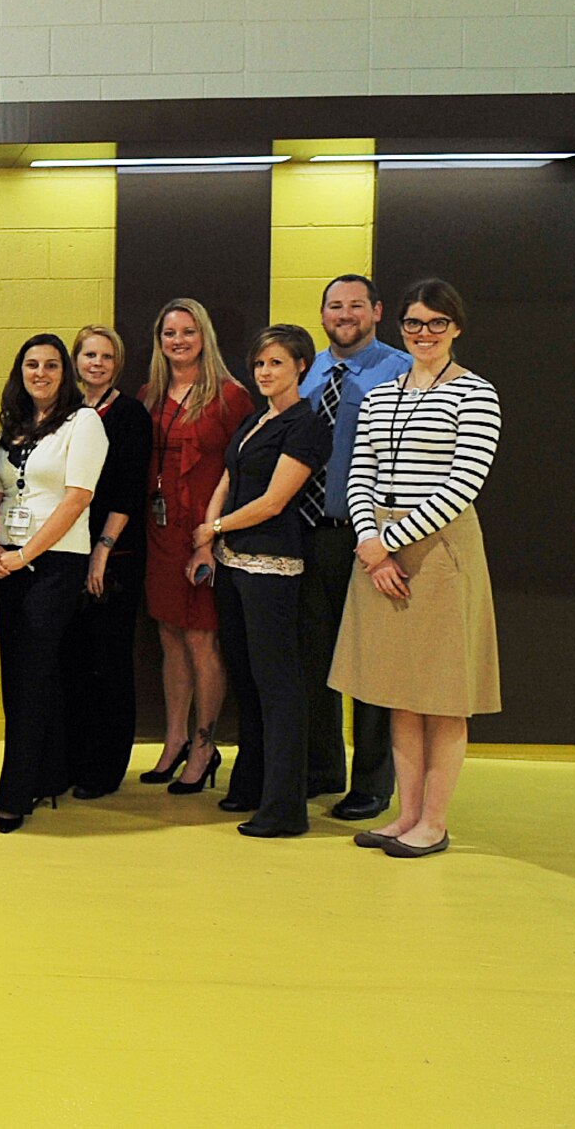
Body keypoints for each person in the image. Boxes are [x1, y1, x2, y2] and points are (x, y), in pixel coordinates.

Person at [330, 280, 500, 859]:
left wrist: (390, 545)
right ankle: (405, 815)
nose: (423, 334)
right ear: (398, 326)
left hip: (441, 550)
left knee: (443, 696)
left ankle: (435, 820)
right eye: (413, 324)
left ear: (455, 327)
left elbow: (463, 484)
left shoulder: (476, 394)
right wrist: (368, 538)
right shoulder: (381, 395)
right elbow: (361, 470)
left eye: (435, 323)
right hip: (377, 545)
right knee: (398, 694)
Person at [191, 325, 330, 836]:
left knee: (278, 686)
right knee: (247, 681)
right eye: (260, 365)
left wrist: (216, 526)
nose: (266, 372)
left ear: (300, 367)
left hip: (271, 565)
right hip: (232, 560)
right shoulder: (255, 420)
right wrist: (207, 538)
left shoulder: (305, 424)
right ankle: (249, 785)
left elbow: (274, 501)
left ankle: (284, 807)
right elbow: (227, 477)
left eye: (276, 363)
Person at [296, 276, 413, 821]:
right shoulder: (307, 370)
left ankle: (372, 782)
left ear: (377, 310)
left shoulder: (400, 369)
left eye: (356, 306)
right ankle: (323, 766)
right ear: (322, 314)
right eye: (335, 306)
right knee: (316, 657)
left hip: (368, 536)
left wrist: (384, 540)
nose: (345, 314)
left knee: (370, 663)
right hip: (306, 530)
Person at [0, 334, 108, 832]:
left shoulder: (85, 423)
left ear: (66, 373)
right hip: (7, 562)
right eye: (31, 364)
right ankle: (45, 772)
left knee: (33, 673)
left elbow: (77, 499)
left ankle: (16, 791)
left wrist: (24, 556)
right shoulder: (12, 427)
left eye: (52, 365)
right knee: (20, 674)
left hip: (54, 563)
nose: (41, 373)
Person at [139, 298, 252, 795]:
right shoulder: (149, 394)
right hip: (159, 533)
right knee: (168, 637)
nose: (178, 340)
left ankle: (205, 747)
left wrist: (213, 535)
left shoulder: (231, 397)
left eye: (187, 331)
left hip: (204, 536)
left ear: (204, 336)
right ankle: (175, 738)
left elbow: (240, 473)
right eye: (169, 333)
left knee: (202, 640)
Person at [61, 324, 152, 800]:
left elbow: (128, 489)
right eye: (88, 355)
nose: (96, 363)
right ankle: (75, 759)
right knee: (74, 662)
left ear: (117, 364)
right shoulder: (66, 412)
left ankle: (107, 766)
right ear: (76, 361)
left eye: (106, 356)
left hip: (113, 558)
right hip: (67, 553)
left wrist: (103, 550)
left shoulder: (130, 414)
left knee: (109, 662)